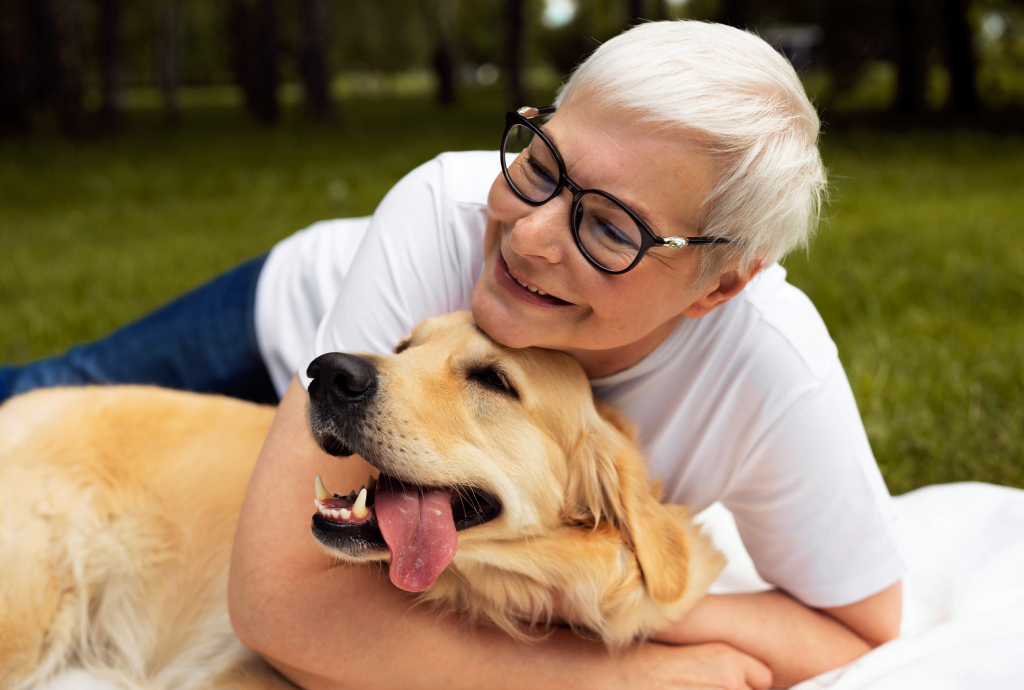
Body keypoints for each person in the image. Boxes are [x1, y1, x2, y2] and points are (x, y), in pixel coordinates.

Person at [2, 21, 904, 689]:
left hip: (417, 445)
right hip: (283, 329)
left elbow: (859, 630)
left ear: (715, 287)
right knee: (38, 396)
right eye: (543, 165)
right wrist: (616, 679)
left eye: (610, 227)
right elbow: (277, 603)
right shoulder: (446, 210)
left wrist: (614, 604)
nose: (530, 236)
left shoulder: (771, 373)